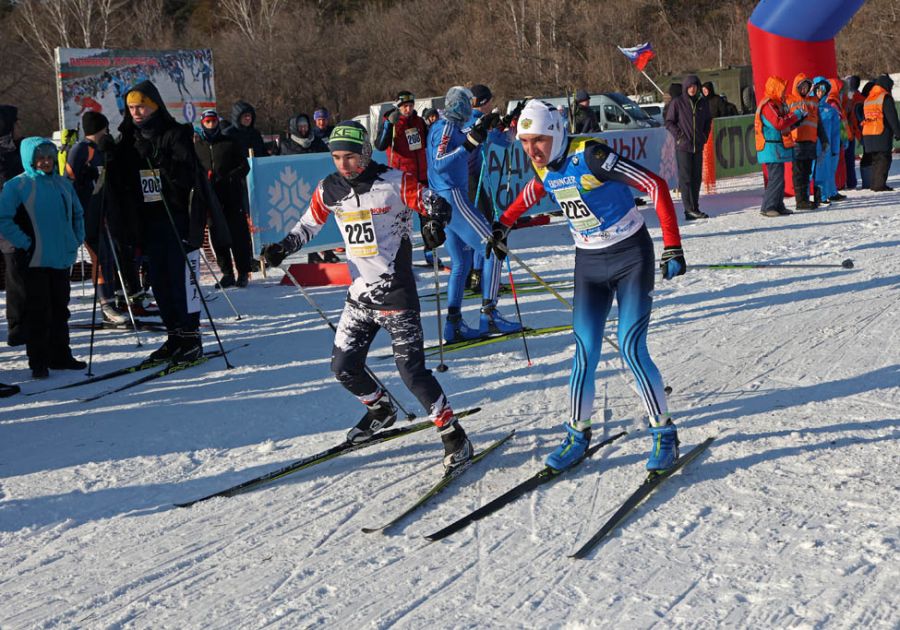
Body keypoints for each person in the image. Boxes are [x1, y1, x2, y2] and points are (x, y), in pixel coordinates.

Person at [259, 121, 473, 472]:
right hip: (359, 297)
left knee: (412, 373)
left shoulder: (393, 181)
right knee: (343, 368)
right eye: (337, 157)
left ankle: (455, 436)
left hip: (397, 294)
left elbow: (435, 203)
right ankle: (380, 409)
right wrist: (284, 247)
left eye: (350, 157)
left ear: (364, 154)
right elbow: (308, 224)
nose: (343, 164)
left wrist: (434, 223)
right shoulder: (329, 188)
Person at [487, 100, 685, 472]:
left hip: (630, 255)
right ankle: (578, 434)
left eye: (539, 141)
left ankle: (664, 433)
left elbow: (654, 185)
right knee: (584, 351)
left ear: (557, 133)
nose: (533, 150)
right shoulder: (543, 165)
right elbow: (535, 190)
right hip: (589, 263)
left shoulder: (591, 156)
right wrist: (504, 223)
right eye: (526, 142)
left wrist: (672, 244)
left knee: (630, 346)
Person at [106, 80, 214, 363]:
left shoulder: (175, 133)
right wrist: (110, 156)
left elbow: (188, 175)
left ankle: (191, 337)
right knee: (159, 282)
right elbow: (121, 178)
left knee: (180, 280)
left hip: (176, 216)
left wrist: (159, 161)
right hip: (146, 219)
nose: (136, 112)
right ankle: (174, 335)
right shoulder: (128, 137)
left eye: (141, 106)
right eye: (131, 107)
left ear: (154, 106)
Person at [426, 86, 521, 342]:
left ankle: (454, 323)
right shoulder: (446, 127)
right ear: (459, 106)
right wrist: (468, 146)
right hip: (451, 195)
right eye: (468, 104)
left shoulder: (451, 126)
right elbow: (439, 161)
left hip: (445, 198)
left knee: (461, 263)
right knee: (493, 247)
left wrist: (485, 129)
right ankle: (488, 314)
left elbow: (472, 136)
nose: (472, 108)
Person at [0, 137, 86, 378]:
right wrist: (24, 242)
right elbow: (3, 218)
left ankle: (61, 355)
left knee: (60, 308)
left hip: (61, 256)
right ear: (30, 159)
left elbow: (78, 213)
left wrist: (76, 237)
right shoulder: (17, 186)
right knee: (38, 311)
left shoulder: (63, 184)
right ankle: (38, 361)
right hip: (34, 259)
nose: (45, 162)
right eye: (40, 158)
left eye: (49, 157)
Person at [195, 109, 253, 288]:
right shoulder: (198, 146)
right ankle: (227, 273)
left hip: (232, 196)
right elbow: (195, 170)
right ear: (202, 124)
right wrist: (204, 180)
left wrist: (229, 177)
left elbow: (244, 166)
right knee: (217, 237)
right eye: (207, 122)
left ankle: (243, 272)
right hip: (212, 199)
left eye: (213, 122)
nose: (211, 125)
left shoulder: (229, 142)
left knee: (238, 236)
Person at [665, 75, 712, 220]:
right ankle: (688, 209)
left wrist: (704, 136)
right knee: (686, 179)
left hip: (697, 145)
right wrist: (679, 136)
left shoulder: (702, 102)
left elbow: (708, 121)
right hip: (683, 146)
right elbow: (669, 122)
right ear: (686, 87)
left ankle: (695, 207)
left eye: (695, 86)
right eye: (690, 86)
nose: (693, 89)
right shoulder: (677, 102)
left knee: (696, 178)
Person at [755, 76, 802, 217]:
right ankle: (768, 207)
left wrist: (797, 119)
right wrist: (795, 115)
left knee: (779, 178)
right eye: (781, 90)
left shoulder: (776, 104)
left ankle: (778, 205)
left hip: (776, 148)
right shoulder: (768, 105)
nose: (783, 93)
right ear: (775, 89)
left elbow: (784, 124)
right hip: (770, 148)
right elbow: (778, 123)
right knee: (775, 178)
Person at [0, 105, 23, 395]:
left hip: (13, 225)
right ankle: (18, 327)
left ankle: (20, 328)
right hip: (7, 224)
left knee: (17, 276)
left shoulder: (14, 150)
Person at [787, 73, 827, 209]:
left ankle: (805, 199)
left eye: (806, 86)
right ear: (797, 87)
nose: (804, 89)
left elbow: (819, 123)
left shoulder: (813, 101)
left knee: (807, 173)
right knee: (799, 173)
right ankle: (800, 201)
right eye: (802, 86)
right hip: (796, 142)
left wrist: (824, 139)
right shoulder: (789, 101)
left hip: (810, 142)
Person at [861, 74, 900, 192]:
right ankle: (879, 185)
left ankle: (874, 183)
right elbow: (892, 117)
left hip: (868, 133)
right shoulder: (885, 97)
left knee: (875, 160)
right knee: (884, 159)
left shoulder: (869, 98)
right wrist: (898, 132)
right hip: (880, 132)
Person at [812, 77, 843, 205]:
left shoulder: (830, 111)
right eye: (818, 89)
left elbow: (836, 133)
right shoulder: (808, 107)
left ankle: (823, 196)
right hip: (810, 145)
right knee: (809, 171)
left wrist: (836, 148)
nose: (821, 92)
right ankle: (805, 198)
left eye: (823, 90)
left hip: (825, 147)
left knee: (824, 171)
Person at [843, 75, 863, 190]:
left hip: (845, 131)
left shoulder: (848, 98)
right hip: (853, 131)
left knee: (846, 157)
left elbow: (846, 114)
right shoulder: (860, 97)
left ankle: (849, 181)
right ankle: (851, 181)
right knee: (849, 158)